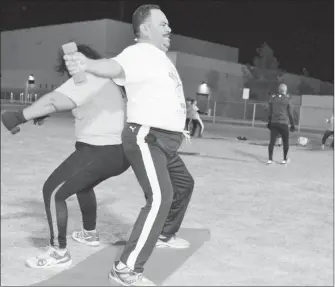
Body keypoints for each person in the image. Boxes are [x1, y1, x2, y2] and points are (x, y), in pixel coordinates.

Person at [64, 4, 194, 286]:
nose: (169, 28)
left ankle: (163, 233)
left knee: (183, 185)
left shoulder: (160, 58)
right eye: (163, 24)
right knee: (160, 198)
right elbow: (114, 66)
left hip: (166, 140)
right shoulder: (139, 52)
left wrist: (181, 123)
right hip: (147, 137)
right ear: (145, 28)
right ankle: (125, 269)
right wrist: (86, 64)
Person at [1, 45, 130, 268]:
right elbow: (78, 102)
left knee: (52, 191)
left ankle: (58, 252)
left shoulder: (88, 75)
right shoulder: (107, 80)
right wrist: (44, 112)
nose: (70, 70)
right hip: (119, 153)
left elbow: (53, 100)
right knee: (83, 184)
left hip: (101, 149)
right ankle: (89, 233)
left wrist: (19, 116)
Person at [267, 83, 295, 165]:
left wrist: (269, 122)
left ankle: (270, 159)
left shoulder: (273, 99)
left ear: (278, 90)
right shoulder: (287, 100)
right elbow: (290, 113)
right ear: (285, 91)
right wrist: (293, 124)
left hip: (274, 123)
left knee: (272, 142)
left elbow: (270, 112)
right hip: (283, 123)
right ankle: (284, 159)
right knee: (285, 141)